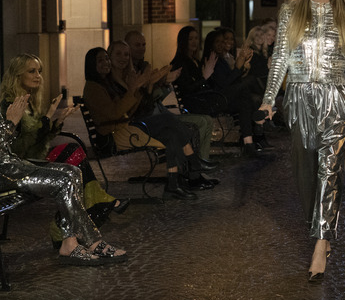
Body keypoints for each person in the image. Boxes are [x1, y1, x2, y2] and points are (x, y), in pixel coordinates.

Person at [258, 0, 345, 282]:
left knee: (329, 170)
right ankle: (320, 225)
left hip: (337, 98)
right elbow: (280, 59)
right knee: (306, 170)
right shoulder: (290, 12)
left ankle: (320, 244)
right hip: (301, 98)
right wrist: (268, 100)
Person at [0, 54, 128, 237]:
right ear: (18, 75)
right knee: (72, 158)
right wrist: (45, 119)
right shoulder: (11, 105)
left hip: (33, 158)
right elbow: (17, 146)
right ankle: (91, 207)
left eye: (39, 71)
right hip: (20, 166)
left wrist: (56, 121)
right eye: (32, 71)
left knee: (73, 154)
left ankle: (83, 211)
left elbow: (39, 139)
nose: (38, 76)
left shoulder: (29, 101)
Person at [0, 95, 127, 265]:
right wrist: (10, 123)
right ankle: (86, 242)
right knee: (64, 180)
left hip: (12, 165)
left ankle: (75, 240)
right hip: (6, 173)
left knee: (73, 172)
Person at [82, 47, 197, 200]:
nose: (106, 63)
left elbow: (128, 110)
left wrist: (138, 89)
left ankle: (173, 184)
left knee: (170, 135)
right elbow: (114, 114)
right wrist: (133, 90)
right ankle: (194, 162)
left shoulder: (105, 84)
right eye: (100, 60)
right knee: (167, 119)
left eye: (106, 58)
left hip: (125, 128)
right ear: (91, 64)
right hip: (115, 135)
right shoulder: (93, 88)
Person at [170, 26, 269, 157]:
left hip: (212, 98)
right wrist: (205, 77)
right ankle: (258, 125)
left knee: (244, 100)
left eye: (196, 38)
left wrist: (240, 67)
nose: (194, 42)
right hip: (206, 102)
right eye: (190, 39)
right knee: (247, 87)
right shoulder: (183, 62)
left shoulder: (198, 61)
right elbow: (191, 89)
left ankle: (249, 143)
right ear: (184, 41)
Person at [124, 30, 217, 165]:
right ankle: (196, 165)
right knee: (191, 125)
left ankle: (200, 162)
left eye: (143, 45)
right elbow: (142, 104)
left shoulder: (145, 66)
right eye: (137, 45)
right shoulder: (179, 61)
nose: (142, 48)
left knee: (202, 121)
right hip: (148, 120)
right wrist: (157, 84)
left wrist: (164, 84)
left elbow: (155, 98)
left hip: (160, 114)